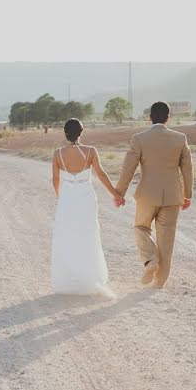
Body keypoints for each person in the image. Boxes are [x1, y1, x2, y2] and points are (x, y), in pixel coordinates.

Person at [114, 101, 193, 289]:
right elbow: (187, 169)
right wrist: (187, 194)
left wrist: (119, 192)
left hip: (147, 196)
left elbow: (128, 168)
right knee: (166, 240)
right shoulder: (180, 138)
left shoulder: (139, 138)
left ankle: (150, 261)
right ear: (168, 118)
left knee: (141, 228)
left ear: (150, 117)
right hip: (173, 196)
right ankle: (160, 282)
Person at [50, 118, 124, 296]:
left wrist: (62, 198)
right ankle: (90, 277)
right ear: (81, 132)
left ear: (65, 133)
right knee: (88, 234)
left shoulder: (57, 154)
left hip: (67, 200)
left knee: (68, 235)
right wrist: (116, 194)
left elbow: (55, 180)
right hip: (86, 199)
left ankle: (70, 277)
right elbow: (101, 174)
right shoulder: (90, 151)